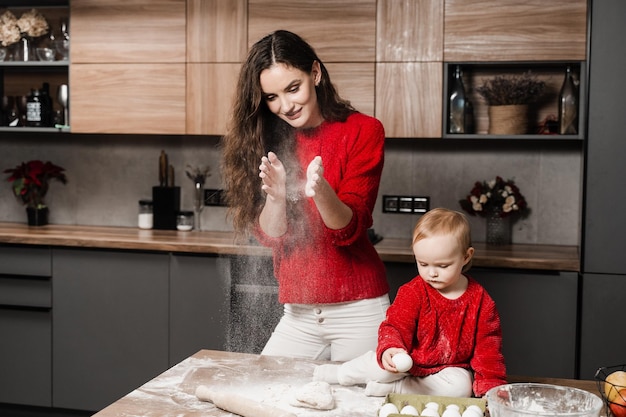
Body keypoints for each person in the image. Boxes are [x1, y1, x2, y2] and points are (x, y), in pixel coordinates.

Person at [221, 29, 390, 362]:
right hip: (297, 314)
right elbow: (271, 236)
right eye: (271, 97)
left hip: (359, 310)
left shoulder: (363, 131)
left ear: (315, 73)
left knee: (357, 411)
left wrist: (321, 191)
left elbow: (347, 230)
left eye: (292, 88)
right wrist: (276, 197)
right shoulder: (265, 138)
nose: (285, 106)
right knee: (267, 398)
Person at [314, 208, 507, 397]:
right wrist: (392, 348)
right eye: (423, 264)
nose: (431, 273)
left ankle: (395, 390)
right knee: (381, 369)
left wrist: (491, 388)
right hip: (408, 358)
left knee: (461, 387)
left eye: (443, 266)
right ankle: (339, 373)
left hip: (449, 367)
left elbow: (488, 351)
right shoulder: (413, 292)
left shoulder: (481, 301)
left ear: (466, 256)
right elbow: (395, 326)